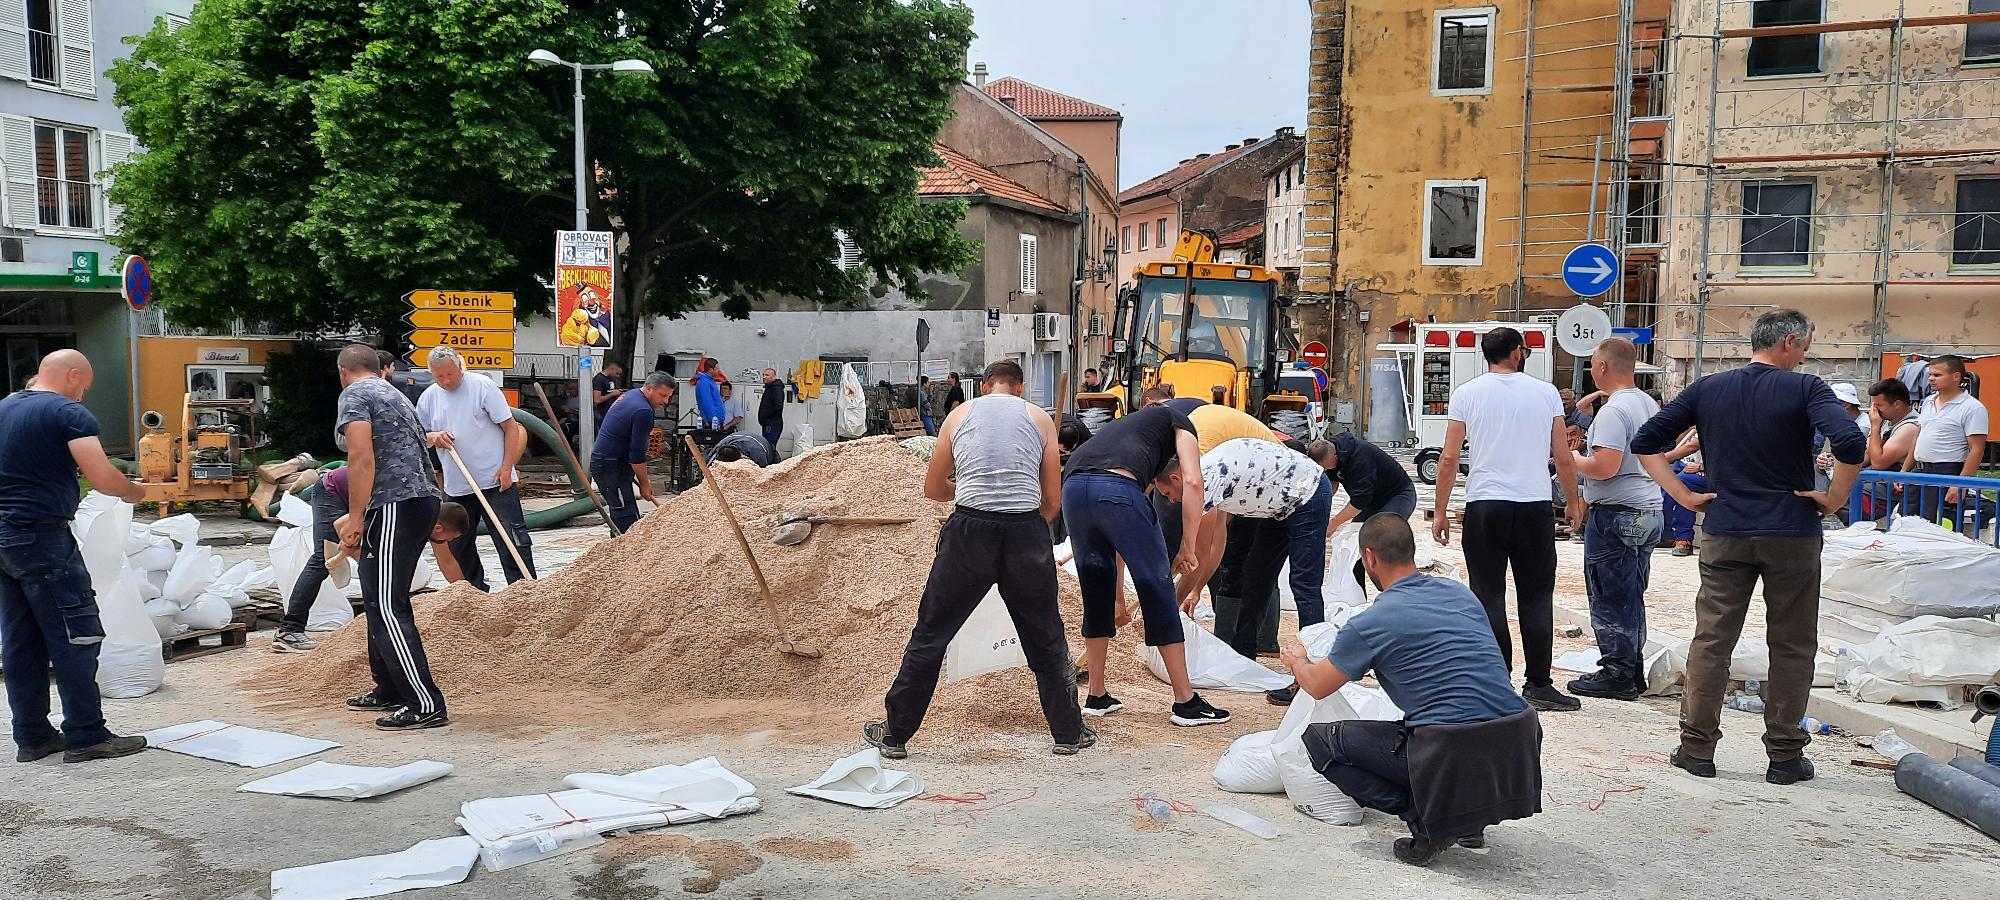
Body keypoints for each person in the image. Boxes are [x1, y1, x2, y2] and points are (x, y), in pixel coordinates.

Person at [1632, 308, 1863, 785]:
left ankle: (1696, 748)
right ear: (1790, 341)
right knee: (1792, 643)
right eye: (1805, 346)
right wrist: (1834, 498)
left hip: (1726, 528)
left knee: (1713, 639)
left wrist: (1684, 495)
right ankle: (1784, 756)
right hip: (1792, 530)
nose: (1804, 356)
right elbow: (1848, 441)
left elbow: (1646, 441)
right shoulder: (1807, 388)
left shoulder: (1708, 388)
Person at [1282, 513, 1541, 867]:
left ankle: (1429, 821)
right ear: (1411, 550)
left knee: (1320, 741)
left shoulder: (1371, 622)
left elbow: (1317, 686)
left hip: (1451, 747)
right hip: (1517, 742)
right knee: (1436, 718)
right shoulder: (1460, 594)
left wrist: (1297, 661)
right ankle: (1468, 820)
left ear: (1369, 557)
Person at [865, 361, 1090, 757]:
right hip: (1025, 531)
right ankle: (1068, 733)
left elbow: (933, 488)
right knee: (1045, 635)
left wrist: (968, 488)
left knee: (932, 633)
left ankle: (895, 734)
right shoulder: (1040, 419)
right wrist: (1025, 524)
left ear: (984, 386)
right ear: (1020, 388)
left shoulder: (959, 415)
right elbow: (1052, 501)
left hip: (970, 530)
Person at [0, 350, 151, 763]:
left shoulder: (5, 407)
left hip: (5, 540)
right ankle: (86, 735)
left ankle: (33, 738)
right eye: (84, 384)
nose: (84, 394)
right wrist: (133, 491)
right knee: (75, 634)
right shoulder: (67, 412)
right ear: (72, 375)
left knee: (21, 641)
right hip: (42, 536)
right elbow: (102, 477)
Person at [1431, 327, 1584, 713]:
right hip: (1533, 505)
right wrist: (1572, 500)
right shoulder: (1546, 393)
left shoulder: (1467, 393)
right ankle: (1539, 683)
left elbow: (1449, 458)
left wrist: (1442, 509)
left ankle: (1496, 683)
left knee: (1488, 596)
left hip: (1485, 505)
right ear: (1517, 352)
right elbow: (1562, 456)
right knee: (1536, 597)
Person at [1062, 403, 1230, 726]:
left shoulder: (1129, 436)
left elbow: (1116, 542)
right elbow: (1194, 482)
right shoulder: (1180, 423)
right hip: (1115, 489)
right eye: (1168, 493)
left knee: (1095, 589)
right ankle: (1186, 701)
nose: (1170, 499)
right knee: (1158, 589)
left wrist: (1117, 598)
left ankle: (1096, 695)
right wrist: (1188, 546)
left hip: (1074, 487)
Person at [332, 345, 451, 731]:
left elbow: (360, 457)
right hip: (418, 500)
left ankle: (424, 703)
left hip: (396, 502)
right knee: (378, 598)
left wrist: (356, 517)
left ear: (343, 371)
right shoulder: (395, 393)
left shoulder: (355, 395)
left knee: (386, 603)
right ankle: (389, 687)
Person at [1163, 437, 1332, 669]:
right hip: (1280, 500)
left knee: (1304, 582)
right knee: (1256, 574)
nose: (1172, 500)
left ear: (1176, 478)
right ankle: (1243, 654)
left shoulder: (1205, 483)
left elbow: (1197, 554)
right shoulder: (1206, 475)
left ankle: (1315, 667)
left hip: (1307, 490)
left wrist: (1171, 605)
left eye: (1168, 493)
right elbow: (1212, 542)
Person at [272, 464, 473, 653]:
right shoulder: (406, 510)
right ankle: (289, 630)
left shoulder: (431, 516)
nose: (448, 542)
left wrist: (466, 596)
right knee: (322, 558)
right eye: (451, 538)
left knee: (373, 560)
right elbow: (341, 525)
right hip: (334, 490)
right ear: (439, 528)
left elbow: (447, 562)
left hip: (366, 495)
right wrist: (354, 550)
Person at [1563, 337, 1662, 701]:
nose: (1591, 370)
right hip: (1648, 509)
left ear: (1603, 366)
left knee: (1609, 596)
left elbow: (1605, 466)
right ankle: (1631, 669)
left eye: (1592, 363)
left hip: (1618, 514)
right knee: (1631, 594)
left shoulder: (1613, 411)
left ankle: (1617, 673)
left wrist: (1572, 459)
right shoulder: (1647, 404)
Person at [417, 348, 536, 592]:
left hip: (495, 480)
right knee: (459, 543)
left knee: (511, 538)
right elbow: (419, 437)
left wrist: (507, 468)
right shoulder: (429, 397)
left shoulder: (482, 386)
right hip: (457, 485)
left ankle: (523, 592)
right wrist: (434, 436)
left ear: (460, 366)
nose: (446, 381)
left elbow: (511, 428)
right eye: (439, 376)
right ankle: (475, 593)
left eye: (450, 374)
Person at [1310, 432, 1418, 590]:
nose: (1325, 470)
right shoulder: (1329, 453)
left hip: (1397, 495)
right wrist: (1319, 505)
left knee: (1385, 541)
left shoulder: (1360, 459)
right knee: (1356, 544)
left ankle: (1397, 590)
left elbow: (1359, 502)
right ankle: (1355, 594)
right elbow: (1332, 483)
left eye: (1326, 467)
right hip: (1371, 499)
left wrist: (1334, 523)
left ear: (1335, 456)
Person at [1908, 355, 1989, 531]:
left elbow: (1977, 449)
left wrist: (1960, 483)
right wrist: (1905, 471)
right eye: (1930, 374)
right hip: (1919, 470)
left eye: (1937, 375)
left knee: (1939, 527)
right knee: (1907, 521)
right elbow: (1918, 437)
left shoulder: (1972, 407)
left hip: (1947, 471)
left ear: (1956, 376)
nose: (1931, 379)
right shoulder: (1928, 401)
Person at [593, 373, 674, 533]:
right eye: (663, 395)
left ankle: (621, 546)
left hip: (611, 462)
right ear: (649, 389)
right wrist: (644, 484)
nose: (665, 401)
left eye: (668, 397)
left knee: (625, 513)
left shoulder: (631, 395)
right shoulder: (643, 411)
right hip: (610, 466)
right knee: (625, 517)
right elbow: (637, 455)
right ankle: (623, 548)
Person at [1858, 378, 1921, 519]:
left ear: (1897, 404)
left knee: (1850, 492)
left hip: (1893, 487)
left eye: (1879, 405)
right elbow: (1867, 456)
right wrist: (1836, 462)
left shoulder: (1910, 427)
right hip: (1877, 481)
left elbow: (1878, 463)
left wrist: (1875, 426)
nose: (1874, 410)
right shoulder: (1886, 421)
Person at [709, 431, 776, 468]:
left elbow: (763, 472)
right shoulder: (719, 447)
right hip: (738, 438)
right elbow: (707, 468)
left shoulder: (757, 453)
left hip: (766, 448)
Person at [758, 368, 786, 452]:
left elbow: (778, 405)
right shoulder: (770, 388)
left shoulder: (776, 389)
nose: (764, 377)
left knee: (769, 448)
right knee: (768, 447)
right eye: (763, 375)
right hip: (769, 423)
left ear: (774, 377)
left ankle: (772, 460)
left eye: (767, 375)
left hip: (772, 423)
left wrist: (766, 415)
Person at [694, 360, 726, 430]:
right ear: (711, 369)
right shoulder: (704, 382)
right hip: (711, 424)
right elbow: (707, 403)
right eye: (717, 368)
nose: (719, 370)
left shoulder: (709, 381)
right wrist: (714, 422)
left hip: (714, 422)